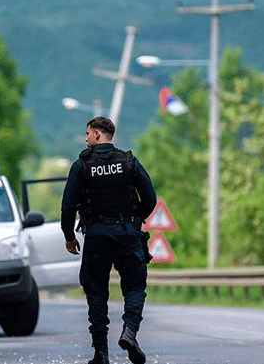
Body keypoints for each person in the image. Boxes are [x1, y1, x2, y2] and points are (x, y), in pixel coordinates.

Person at [61, 116, 157, 364]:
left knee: (96, 291)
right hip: (127, 234)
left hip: (96, 236)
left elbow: (68, 206)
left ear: (97, 134)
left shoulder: (81, 166)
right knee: (135, 286)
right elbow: (150, 197)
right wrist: (136, 219)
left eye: (88, 133)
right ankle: (130, 333)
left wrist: (69, 236)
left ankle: (100, 353)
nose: (85, 138)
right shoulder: (128, 162)